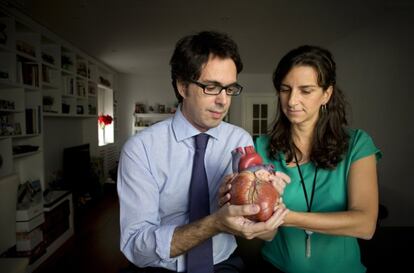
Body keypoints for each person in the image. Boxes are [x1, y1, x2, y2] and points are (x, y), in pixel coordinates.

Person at [117, 30, 290, 273]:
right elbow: (136, 246)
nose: (223, 101)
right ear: (182, 86)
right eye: (211, 87)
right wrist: (215, 223)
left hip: (223, 264)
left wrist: (268, 203)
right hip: (160, 267)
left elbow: (267, 231)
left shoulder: (239, 140)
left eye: (229, 89)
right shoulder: (141, 149)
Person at [253, 45, 382, 273]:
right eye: (285, 89)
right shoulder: (262, 146)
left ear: (326, 94)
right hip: (274, 267)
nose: (292, 101)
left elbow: (365, 225)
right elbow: (267, 232)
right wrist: (250, 215)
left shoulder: (358, 144)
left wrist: (288, 217)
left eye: (306, 90)